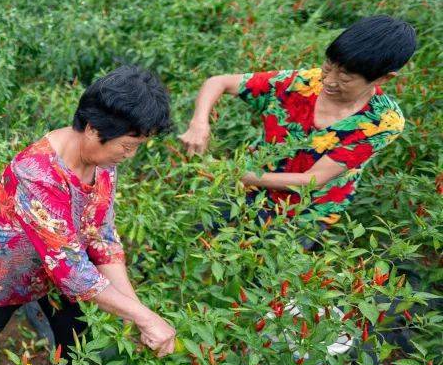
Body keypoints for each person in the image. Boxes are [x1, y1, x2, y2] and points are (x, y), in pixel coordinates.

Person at [0, 65, 178, 365]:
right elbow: (73, 272)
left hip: (60, 264)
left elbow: (101, 234)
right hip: (5, 265)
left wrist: (133, 310)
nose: (130, 156)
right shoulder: (36, 174)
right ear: (93, 129)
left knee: (73, 327)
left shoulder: (102, 163)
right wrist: (143, 317)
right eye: (128, 146)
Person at [179, 15, 417, 227]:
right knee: (197, 235)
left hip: (304, 213)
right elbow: (219, 82)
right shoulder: (300, 84)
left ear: (383, 78)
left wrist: (232, 174)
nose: (329, 81)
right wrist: (199, 122)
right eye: (328, 67)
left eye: (345, 77)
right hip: (246, 186)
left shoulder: (383, 122)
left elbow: (312, 180)